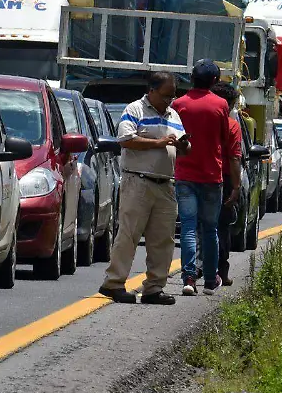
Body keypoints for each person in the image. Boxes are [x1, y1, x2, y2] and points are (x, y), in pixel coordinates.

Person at [98, 72, 190, 305]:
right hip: (138, 180)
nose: (170, 100)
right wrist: (159, 143)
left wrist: (184, 144)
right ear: (152, 90)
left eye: (173, 95)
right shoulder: (134, 110)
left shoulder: (174, 115)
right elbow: (126, 140)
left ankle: (154, 288)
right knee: (129, 234)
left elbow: (183, 147)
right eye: (166, 95)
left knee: (163, 239)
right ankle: (114, 283)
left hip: (165, 183)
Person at [172, 61, 237, 296]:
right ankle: (210, 280)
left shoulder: (178, 104)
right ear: (215, 81)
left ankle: (189, 278)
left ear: (192, 78)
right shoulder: (220, 105)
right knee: (210, 229)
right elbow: (223, 138)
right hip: (212, 175)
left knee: (188, 227)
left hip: (185, 174)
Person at [209, 81, 244, 287]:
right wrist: (237, 186)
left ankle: (196, 269)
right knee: (222, 227)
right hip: (223, 179)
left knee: (198, 226)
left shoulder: (199, 120)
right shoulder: (232, 125)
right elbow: (234, 158)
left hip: (198, 177)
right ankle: (221, 269)